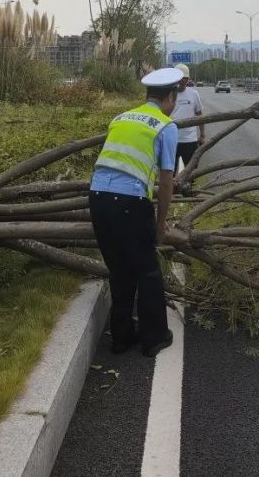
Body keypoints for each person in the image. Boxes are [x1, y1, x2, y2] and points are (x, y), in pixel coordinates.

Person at [88, 67, 182, 358]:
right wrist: (161, 223)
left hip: (97, 198)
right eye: (174, 98)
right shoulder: (166, 126)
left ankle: (121, 338)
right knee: (147, 270)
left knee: (119, 269)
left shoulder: (120, 118)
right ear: (169, 97)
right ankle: (154, 338)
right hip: (129, 202)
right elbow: (166, 181)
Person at [171, 63, 205, 172]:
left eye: (184, 78)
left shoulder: (193, 94)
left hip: (190, 140)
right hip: (171, 140)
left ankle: (189, 189)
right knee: (170, 172)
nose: (182, 81)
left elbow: (200, 115)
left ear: (188, 79)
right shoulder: (168, 95)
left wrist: (202, 135)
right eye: (179, 78)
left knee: (191, 172)